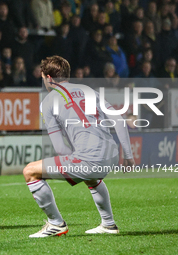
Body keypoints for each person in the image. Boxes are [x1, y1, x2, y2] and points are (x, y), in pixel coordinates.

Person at [23, 55, 134, 238]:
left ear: (49, 78)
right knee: (91, 177)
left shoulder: (49, 102)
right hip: (112, 154)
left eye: (43, 78)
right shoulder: (88, 90)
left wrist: (75, 161)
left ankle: (56, 224)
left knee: (30, 171)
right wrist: (128, 156)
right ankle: (108, 224)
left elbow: (60, 147)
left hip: (89, 158)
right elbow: (119, 121)